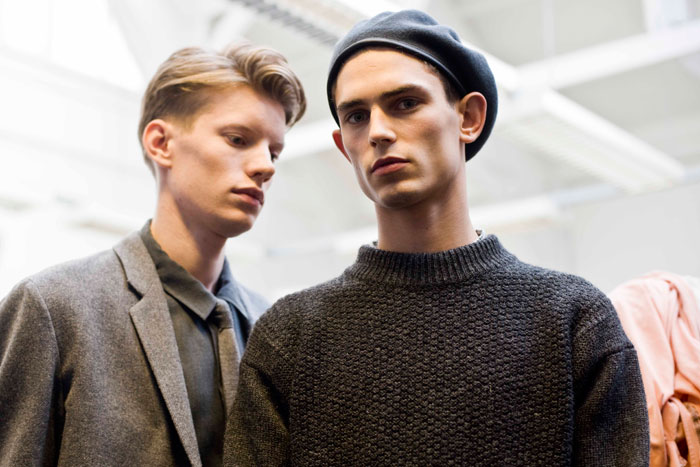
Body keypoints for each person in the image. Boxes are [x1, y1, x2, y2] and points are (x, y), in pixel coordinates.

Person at [224, 10, 649, 466]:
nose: (378, 132)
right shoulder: (290, 336)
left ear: (469, 117)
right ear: (344, 145)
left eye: (406, 103)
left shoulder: (573, 321)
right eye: (357, 116)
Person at [0, 43, 305, 466]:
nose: (265, 166)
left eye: (273, 152)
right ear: (161, 143)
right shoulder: (54, 309)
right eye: (238, 139)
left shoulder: (272, 329)